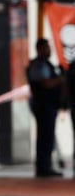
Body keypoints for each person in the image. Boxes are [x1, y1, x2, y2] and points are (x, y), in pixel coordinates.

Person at [26, 38, 65, 178]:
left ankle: (45, 167)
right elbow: (46, 83)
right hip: (43, 105)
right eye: (47, 47)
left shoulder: (45, 64)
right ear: (40, 49)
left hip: (47, 105)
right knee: (45, 137)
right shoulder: (39, 65)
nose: (49, 50)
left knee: (47, 137)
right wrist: (61, 78)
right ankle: (44, 168)